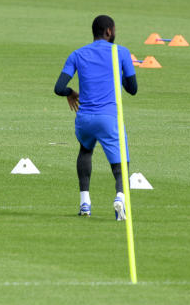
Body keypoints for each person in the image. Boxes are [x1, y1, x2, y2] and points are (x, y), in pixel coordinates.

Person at [53, 15, 137, 220]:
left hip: (84, 119)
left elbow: (59, 88)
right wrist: (119, 77)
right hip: (109, 118)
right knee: (120, 164)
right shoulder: (121, 52)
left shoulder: (77, 54)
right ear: (109, 31)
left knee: (85, 150)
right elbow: (133, 89)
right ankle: (119, 198)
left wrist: (71, 92)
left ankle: (85, 203)